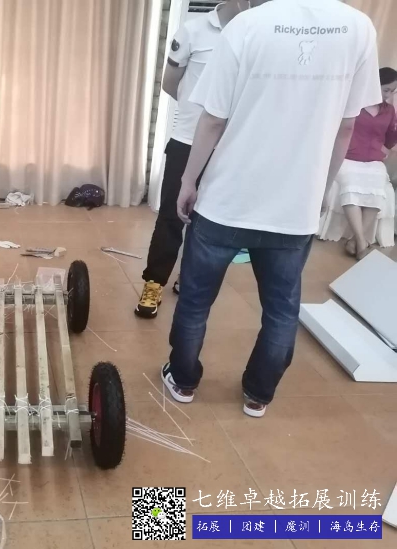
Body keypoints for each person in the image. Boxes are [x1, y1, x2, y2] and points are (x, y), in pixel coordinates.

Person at [160, 0, 381, 418]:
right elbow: (346, 126)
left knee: (194, 302)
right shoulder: (358, 28)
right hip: (294, 209)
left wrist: (189, 181)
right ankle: (258, 394)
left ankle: (183, 381)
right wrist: (321, 188)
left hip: (226, 202)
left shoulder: (248, 25)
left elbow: (213, 120)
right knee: (281, 310)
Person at [136, 0, 249, 319]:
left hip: (230, 146)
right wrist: (196, 109)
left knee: (208, 222)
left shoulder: (255, 33)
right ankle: (154, 283)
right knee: (171, 218)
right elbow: (170, 84)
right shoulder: (193, 30)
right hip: (187, 141)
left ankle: (188, 279)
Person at [337, 67, 397, 259]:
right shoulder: (353, 103)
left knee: (378, 190)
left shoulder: (389, 111)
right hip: (348, 157)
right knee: (350, 187)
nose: (388, 95)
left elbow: (390, 137)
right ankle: (362, 242)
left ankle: (355, 241)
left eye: (392, 91)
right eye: (385, 90)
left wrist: (385, 147)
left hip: (373, 160)